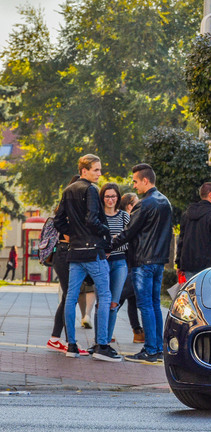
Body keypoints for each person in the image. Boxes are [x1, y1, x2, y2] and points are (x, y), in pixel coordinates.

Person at [53, 154, 121, 362]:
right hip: (92, 251)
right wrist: (106, 232)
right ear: (84, 171)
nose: (99, 174)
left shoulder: (68, 190)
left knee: (71, 298)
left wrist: (72, 234)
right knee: (105, 295)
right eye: (96, 170)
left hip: (75, 252)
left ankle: (71, 345)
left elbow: (58, 221)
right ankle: (101, 345)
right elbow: (92, 219)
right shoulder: (90, 190)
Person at [111, 163, 172, 363]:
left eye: (136, 181)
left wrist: (108, 245)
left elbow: (129, 232)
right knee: (154, 305)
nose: (134, 186)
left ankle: (150, 350)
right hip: (158, 261)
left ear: (145, 180)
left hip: (142, 261)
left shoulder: (144, 204)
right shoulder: (165, 202)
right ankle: (157, 349)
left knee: (145, 305)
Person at [46, 176, 88, 356]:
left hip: (66, 254)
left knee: (68, 296)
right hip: (64, 253)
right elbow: (67, 233)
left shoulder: (73, 205)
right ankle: (60, 340)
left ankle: (56, 339)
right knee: (70, 296)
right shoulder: (71, 207)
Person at [92, 183, 130, 347]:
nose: (110, 199)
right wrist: (111, 240)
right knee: (101, 303)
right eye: (107, 196)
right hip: (100, 262)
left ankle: (106, 342)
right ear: (102, 198)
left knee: (114, 303)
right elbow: (93, 239)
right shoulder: (98, 217)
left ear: (118, 197)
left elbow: (129, 240)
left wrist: (112, 243)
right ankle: (98, 341)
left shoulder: (124, 217)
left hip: (119, 262)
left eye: (113, 196)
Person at [176, 182, 211, 281]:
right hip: (209, 267)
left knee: (193, 294)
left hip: (188, 264)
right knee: (208, 295)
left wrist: (179, 264)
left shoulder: (187, 214)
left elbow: (181, 240)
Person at [116, 192, 144, 343]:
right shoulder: (127, 218)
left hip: (131, 263)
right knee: (119, 298)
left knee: (131, 298)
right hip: (126, 263)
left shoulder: (128, 218)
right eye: (136, 202)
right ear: (129, 206)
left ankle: (138, 332)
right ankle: (106, 327)